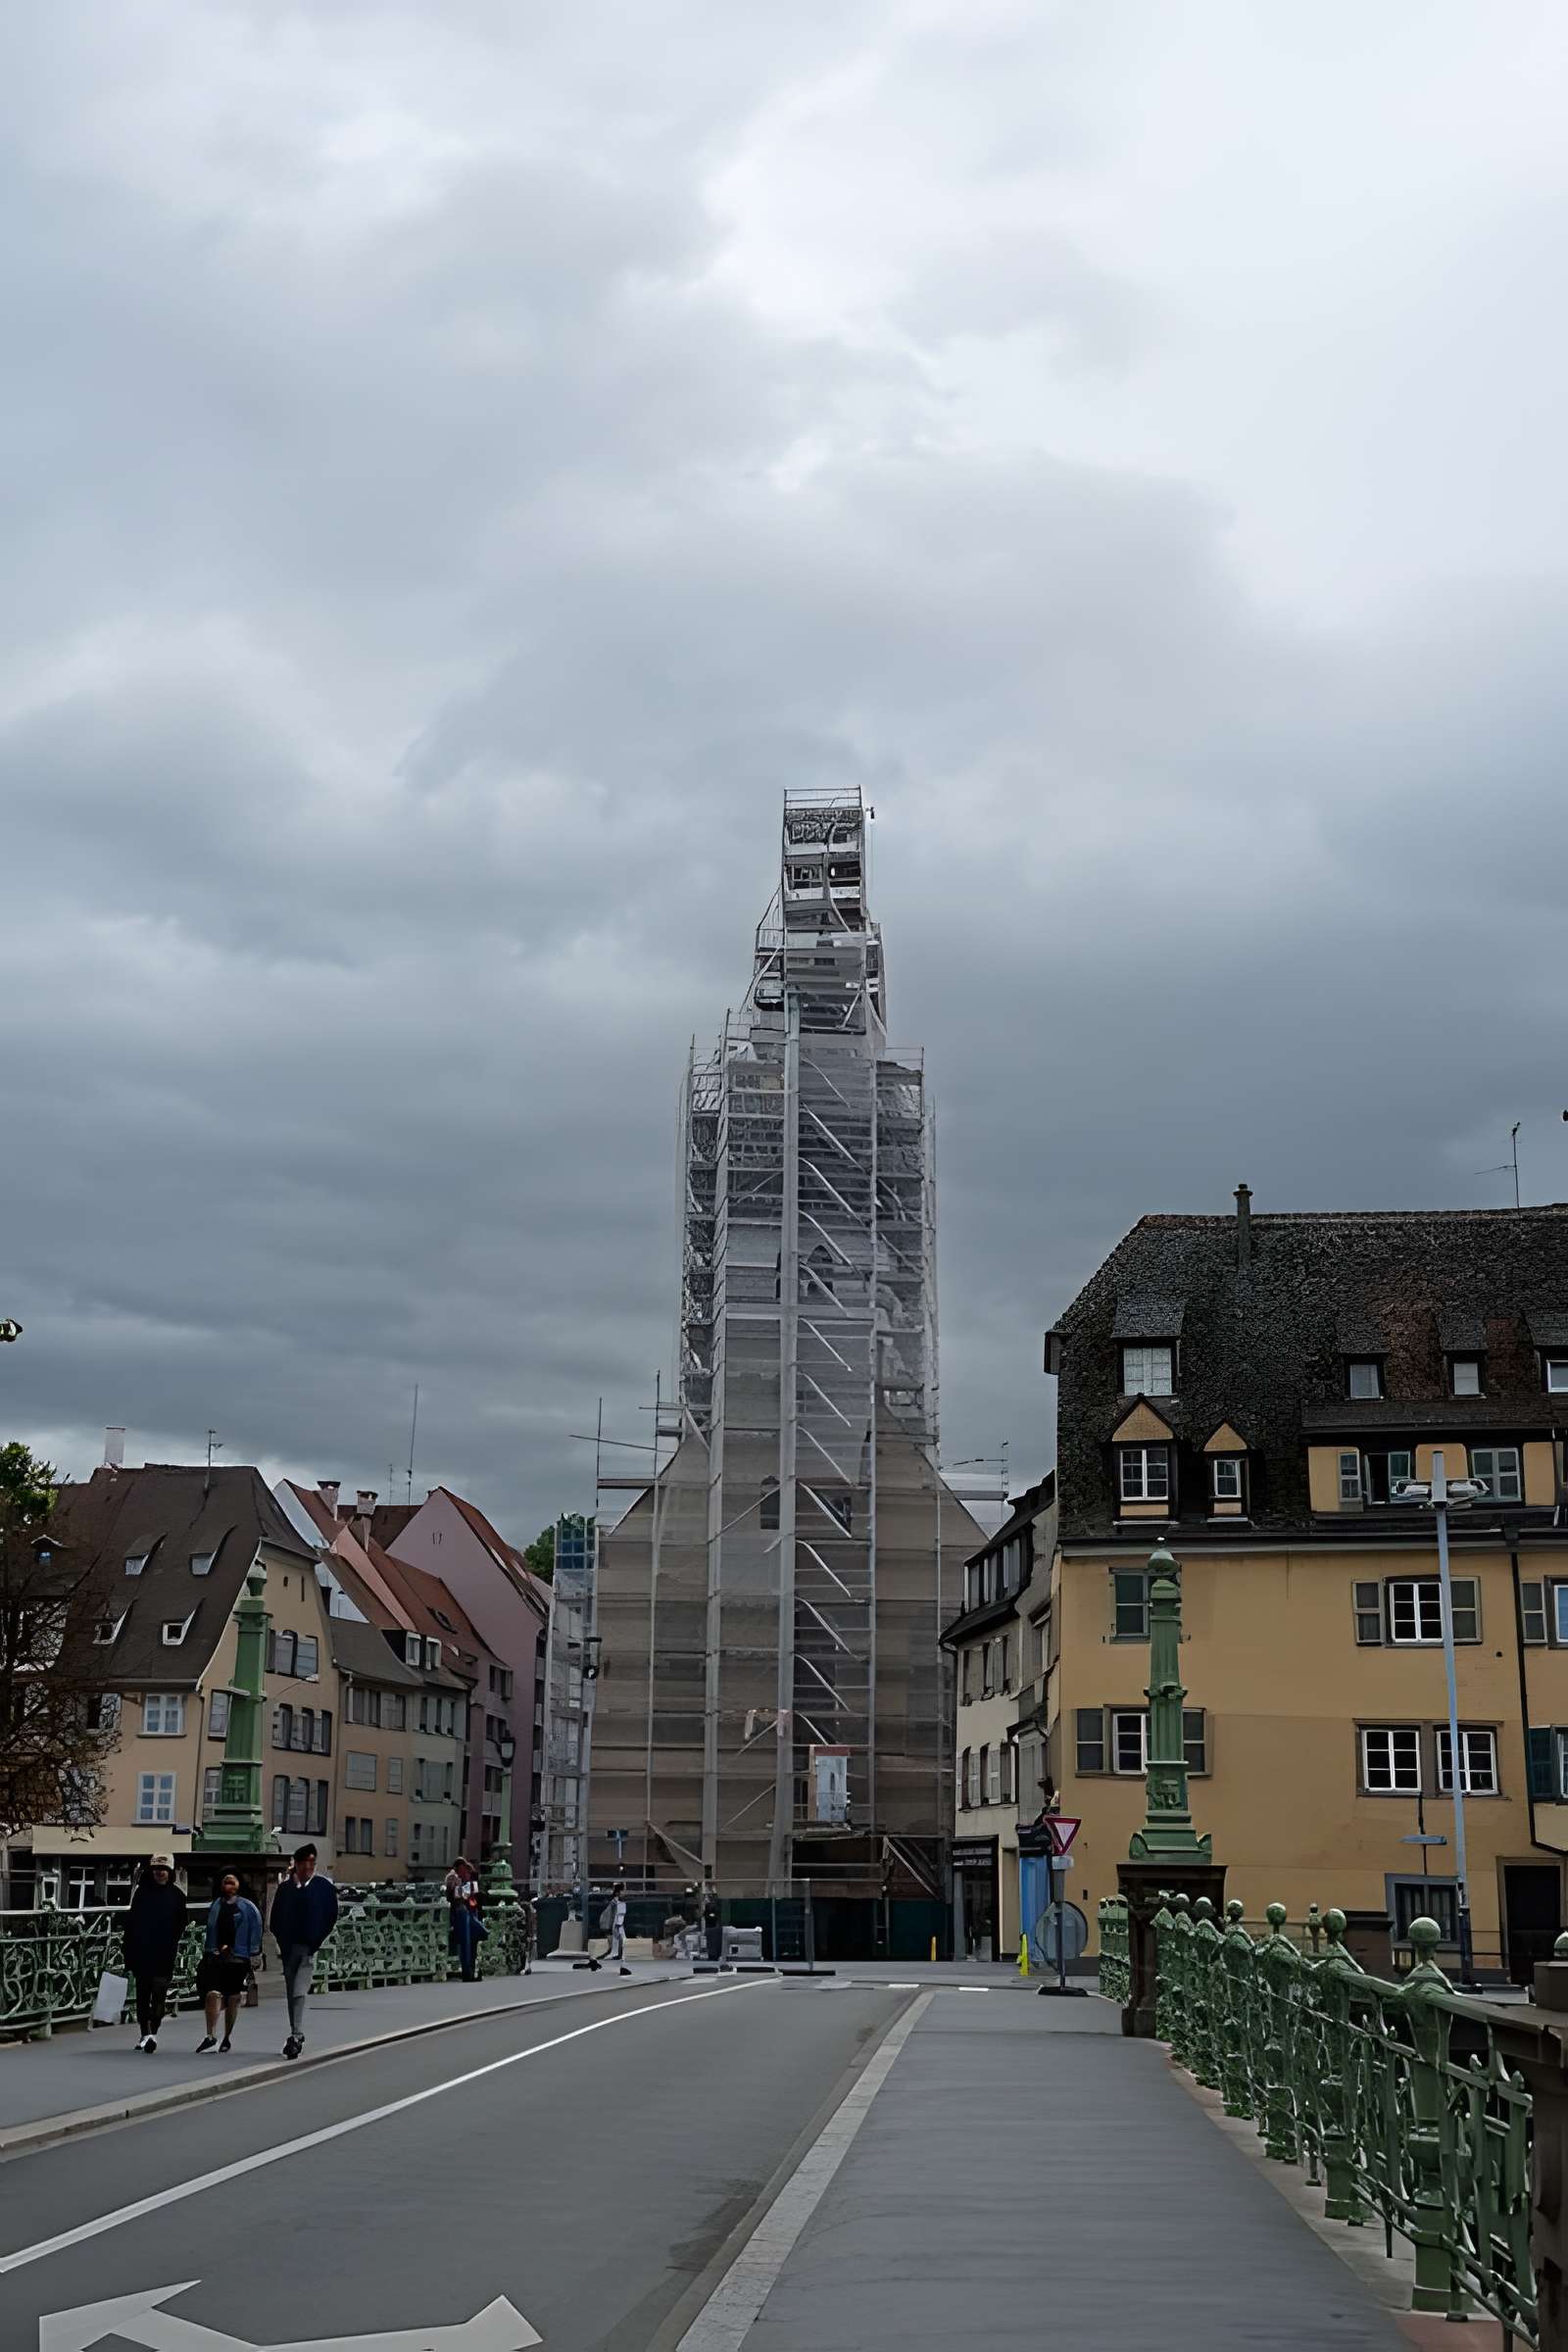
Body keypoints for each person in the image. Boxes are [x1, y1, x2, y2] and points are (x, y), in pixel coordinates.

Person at [270, 1841, 338, 2060]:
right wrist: (282, 1941)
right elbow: (276, 1918)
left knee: (299, 1990)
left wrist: (316, 1940)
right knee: (292, 1991)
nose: (309, 1866)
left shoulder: (322, 1888)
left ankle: (296, 2034)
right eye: (305, 1862)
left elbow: (329, 1916)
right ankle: (295, 2031)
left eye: (312, 1862)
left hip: (308, 1946)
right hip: (290, 1946)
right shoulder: (286, 1889)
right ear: (297, 1865)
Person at [122, 1855, 188, 2052]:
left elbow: (182, 1922)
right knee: (143, 1995)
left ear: (170, 1872)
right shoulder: (142, 1893)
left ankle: (153, 2032)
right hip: (142, 1952)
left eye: (164, 1869)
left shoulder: (177, 1895)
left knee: (159, 1994)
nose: (160, 1872)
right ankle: (145, 2033)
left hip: (164, 1952)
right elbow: (132, 1922)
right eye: (157, 1869)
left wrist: (171, 1939)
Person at [197, 1872, 262, 2052]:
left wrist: (254, 1954)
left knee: (233, 1996)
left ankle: (227, 2036)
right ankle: (210, 2035)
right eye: (226, 1881)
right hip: (217, 1955)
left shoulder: (248, 1907)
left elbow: (256, 1929)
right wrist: (209, 1951)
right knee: (213, 1992)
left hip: (238, 1957)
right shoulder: (216, 1905)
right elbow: (210, 1929)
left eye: (232, 1882)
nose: (229, 1885)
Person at [445, 1856, 486, 1983]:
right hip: (462, 1916)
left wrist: (469, 1893)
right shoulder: (454, 1880)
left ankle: (470, 1971)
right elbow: (457, 1897)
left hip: (470, 1914)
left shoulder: (469, 1881)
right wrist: (466, 1893)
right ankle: (468, 1972)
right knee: (467, 1943)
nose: (466, 1874)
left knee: (471, 1944)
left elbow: (473, 1897)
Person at [589, 1880, 630, 1977]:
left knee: (620, 1945)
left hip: (614, 1925)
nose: (625, 1893)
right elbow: (613, 1916)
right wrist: (615, 1928)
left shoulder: (618, 1902)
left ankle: (615, 1961)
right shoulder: (615, 1903)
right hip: (611, 1925)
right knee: (615, 1947)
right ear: (617, 1892)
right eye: (623, 1891)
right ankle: (600, 1963)